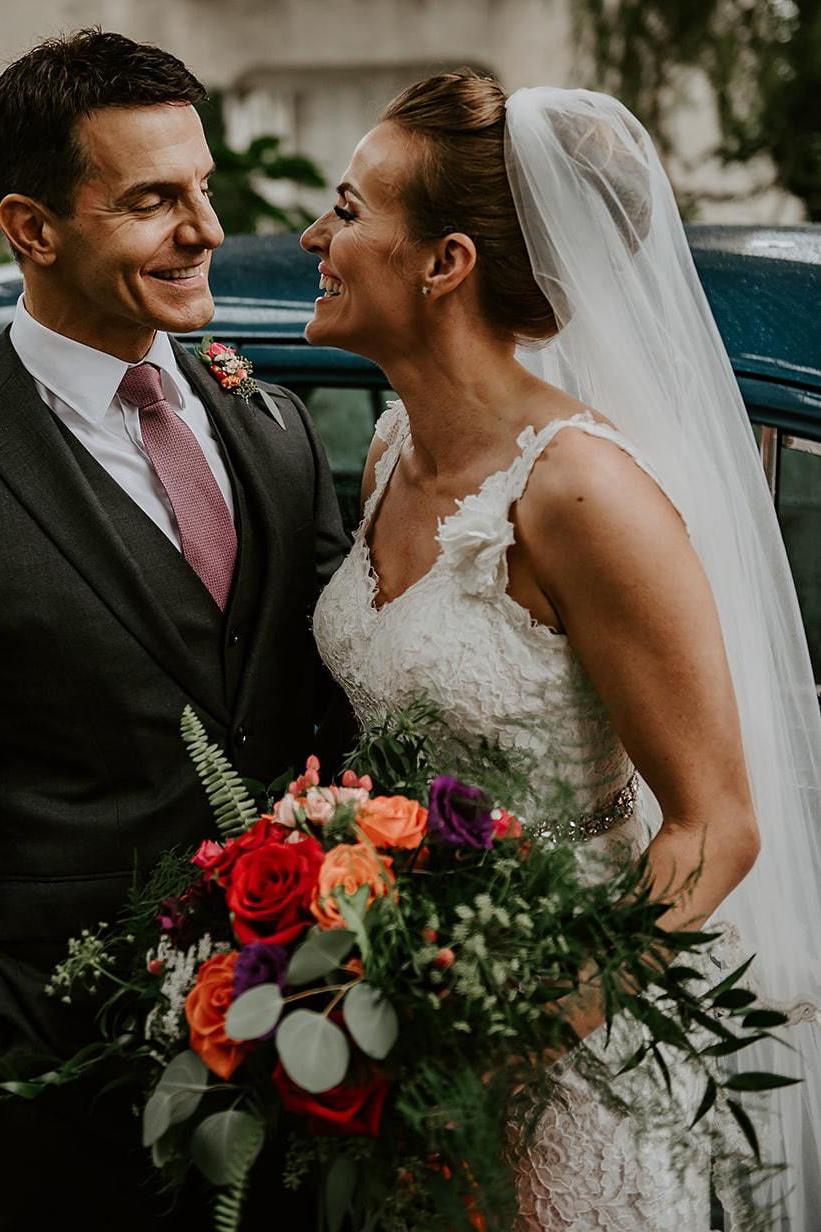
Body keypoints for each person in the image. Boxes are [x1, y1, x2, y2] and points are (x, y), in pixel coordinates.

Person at [0, 29, 346, 1232]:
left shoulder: (276, 428)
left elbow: (338, 706)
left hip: (317, 1062)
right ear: (32, 227)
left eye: (200, 186)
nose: (203, 228)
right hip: (65, 1092)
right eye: (154, 199)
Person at [303, 71, 821, 1229]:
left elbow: (716, 827)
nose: (313, 237)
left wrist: (513, 1043)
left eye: (345, 210)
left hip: (570, 1049)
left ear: (444, 264)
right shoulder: (391, 448)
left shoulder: (583, 491)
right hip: (411, 1012)